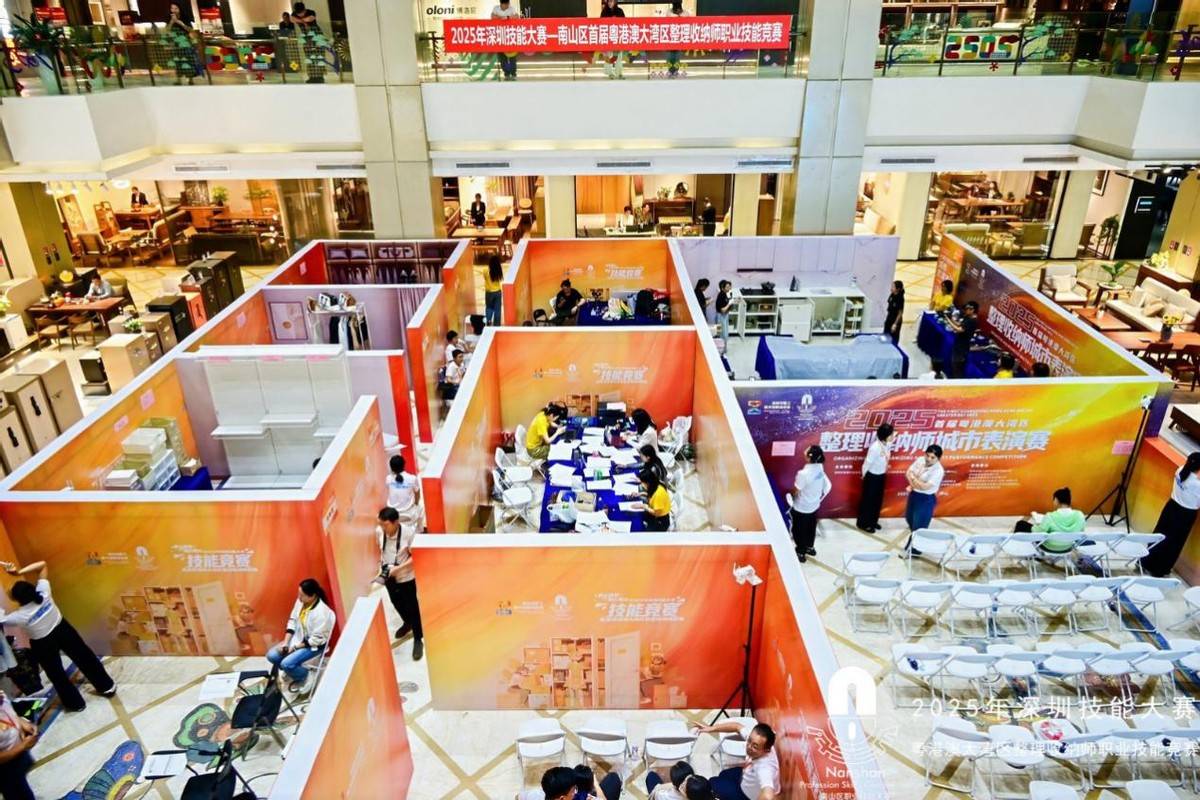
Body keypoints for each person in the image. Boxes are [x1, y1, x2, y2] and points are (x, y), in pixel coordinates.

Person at [0, 561, 116, 712]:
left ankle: (76, 704)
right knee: (84, 656)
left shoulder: (18, 616)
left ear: (17, 600)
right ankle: (107, 686)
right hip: (63, 630)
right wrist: (18, 572)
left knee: (57, 674)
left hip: (42, 644)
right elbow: (42, 565)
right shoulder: (44, 593)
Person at [267, 578, 335, 692]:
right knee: (272, 656)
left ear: (312, 596)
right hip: (298, 639)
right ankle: (293, 672)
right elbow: (292, 621)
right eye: (299, 594)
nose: (299, 598)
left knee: (286, 664)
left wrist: (294, 648)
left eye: (302, 595)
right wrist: (286, 643)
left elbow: (316, 640)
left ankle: (305, 675)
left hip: (314, 645)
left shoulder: (322, 613)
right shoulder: (301, 602)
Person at [1142, 452, 1200, 577]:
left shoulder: (1180, 471)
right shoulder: (1197, 484)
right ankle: (1160, 569)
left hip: (1171, 507)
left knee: (1160, 534)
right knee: (1174, 543)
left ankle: (1146, 561)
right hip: (1185, 515)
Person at [377, 507, 424, 660]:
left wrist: (399, 569)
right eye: (381, 524)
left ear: (395, 522)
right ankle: (407, 623)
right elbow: (381, 551)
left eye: (385, 525)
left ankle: (418, 638)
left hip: (406, 577)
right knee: (396, 603)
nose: (383, 528)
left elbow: (415, 556)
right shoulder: (379, 532)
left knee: (412, 607)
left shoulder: (408, 533)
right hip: (389, 577)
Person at [693, 721, 780, 800]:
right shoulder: (756, 738)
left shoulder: (765, 768)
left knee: (712, 783)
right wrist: (711, 728)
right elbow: (737, 726)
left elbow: (768, 796)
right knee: (723, 774)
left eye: (755, 746)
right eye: (749, 740)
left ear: (766, 750)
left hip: (746, 795)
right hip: (744, 776)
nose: (749, 747)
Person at [1014, 487, 1086, 555]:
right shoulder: (1080, 515)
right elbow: (1081, 531)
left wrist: (1037, 525)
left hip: (1049, 547)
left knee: (1021, 524)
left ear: (1056, 500)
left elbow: (1037, 532)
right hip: (1067, 547)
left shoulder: (1050, 516)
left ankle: (1017, 548)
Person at [790, 445, 831, 562]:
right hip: (814, 505)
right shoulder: (820, 467)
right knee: (810, 527)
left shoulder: (803, 474)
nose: (806, 449)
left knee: (799, 530)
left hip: (802, 507)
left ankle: (800, 552)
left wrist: (790, 495)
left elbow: (796, 490)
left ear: (809, 457)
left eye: (807, 449)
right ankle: (810, 547)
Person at [903, 445, 945, 553]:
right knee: (909, 518)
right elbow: (908, 473)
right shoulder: (920, 460)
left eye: (932, 457)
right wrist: (915, 482)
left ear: (938, 458)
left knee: (919, 526)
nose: (929, 459)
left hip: (925, 499)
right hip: (914, 494)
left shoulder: (938, 470)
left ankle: (914, 550)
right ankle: (914, 545)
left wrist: (913, 479)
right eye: (927, 455)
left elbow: (925, 487)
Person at [856, 423, 894, 533]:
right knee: (868, 501)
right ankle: (863, 523)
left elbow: (884, 458)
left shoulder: (887, 444)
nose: (893, 436)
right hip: (872, 477)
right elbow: (867, 463)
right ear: (885, 435)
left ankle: (873, 521)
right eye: (891, 434)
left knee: (877, 501)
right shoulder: (875, 447)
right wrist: (864, 475)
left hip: (881, 476)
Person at [0, 688, 37, 800]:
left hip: (18, 757)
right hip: (4, 769)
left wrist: (23, 723)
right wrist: (23, 746)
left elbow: (10, 713)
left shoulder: (1, 696)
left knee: (22, 786)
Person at [946, 301, 979, 379]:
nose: (966, 310)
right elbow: (959, 324)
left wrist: (948, 320)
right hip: (958, 344)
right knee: (954, 365)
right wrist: (950, 318)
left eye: (968, 309)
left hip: (962, 347)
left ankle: (958, 382)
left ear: (973, 310)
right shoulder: (967, 317)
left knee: (957, 367)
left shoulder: (972, 321)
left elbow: (959, 329)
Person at [386, 454, 421, 526]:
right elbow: (417, 494)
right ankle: (420, 530)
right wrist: (416, 504)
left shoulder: (388, 479)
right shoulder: (412, 478)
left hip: (392, 514)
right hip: (408, 513)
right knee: (421, 509)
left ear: (391, 467)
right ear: (404, 465)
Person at [492, 0, 521, 80]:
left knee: (512, 58)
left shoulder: (511, 9)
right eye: (505, 4)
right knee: (502, 58)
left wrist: (507, 17)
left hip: (510, 37)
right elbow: (492, 17)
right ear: (501, 4)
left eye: (508, 4)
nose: (507, 6)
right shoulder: (496, 8)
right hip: (500, 37)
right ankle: (506, 73)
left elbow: (517, 17)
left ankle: (513, 73)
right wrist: (501, 18)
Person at [598, 0, 626, 79]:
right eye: (609, 2)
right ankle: (610, 73)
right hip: (608, 37)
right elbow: (600, 23)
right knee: (608, 55)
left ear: (615, 2)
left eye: (612, 1)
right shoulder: (604, 12)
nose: (610, 3)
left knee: (619, 56)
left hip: (618, 37)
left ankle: (619, 73)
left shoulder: (620, 11)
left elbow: (625, 22)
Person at [484, 255, 504, 326]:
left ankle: (488, 322)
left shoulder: (485, 270)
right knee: (497, 310)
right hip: (498, 292)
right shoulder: (498, 270)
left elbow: (485, 278)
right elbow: (499, 279)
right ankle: (497, 325)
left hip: (489, 293)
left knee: (489, 308)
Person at [715, 280, 733, 345]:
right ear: (722, 288)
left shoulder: (725, 293)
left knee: (722, 332)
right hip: (721, 316)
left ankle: (723, 347)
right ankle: (722, 348)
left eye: (729, 286)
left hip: (724, 316)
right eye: (727, 287)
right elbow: (723, 310)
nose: (729, 288)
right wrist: (729, 304)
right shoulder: (721, 295)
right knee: (722, 334)